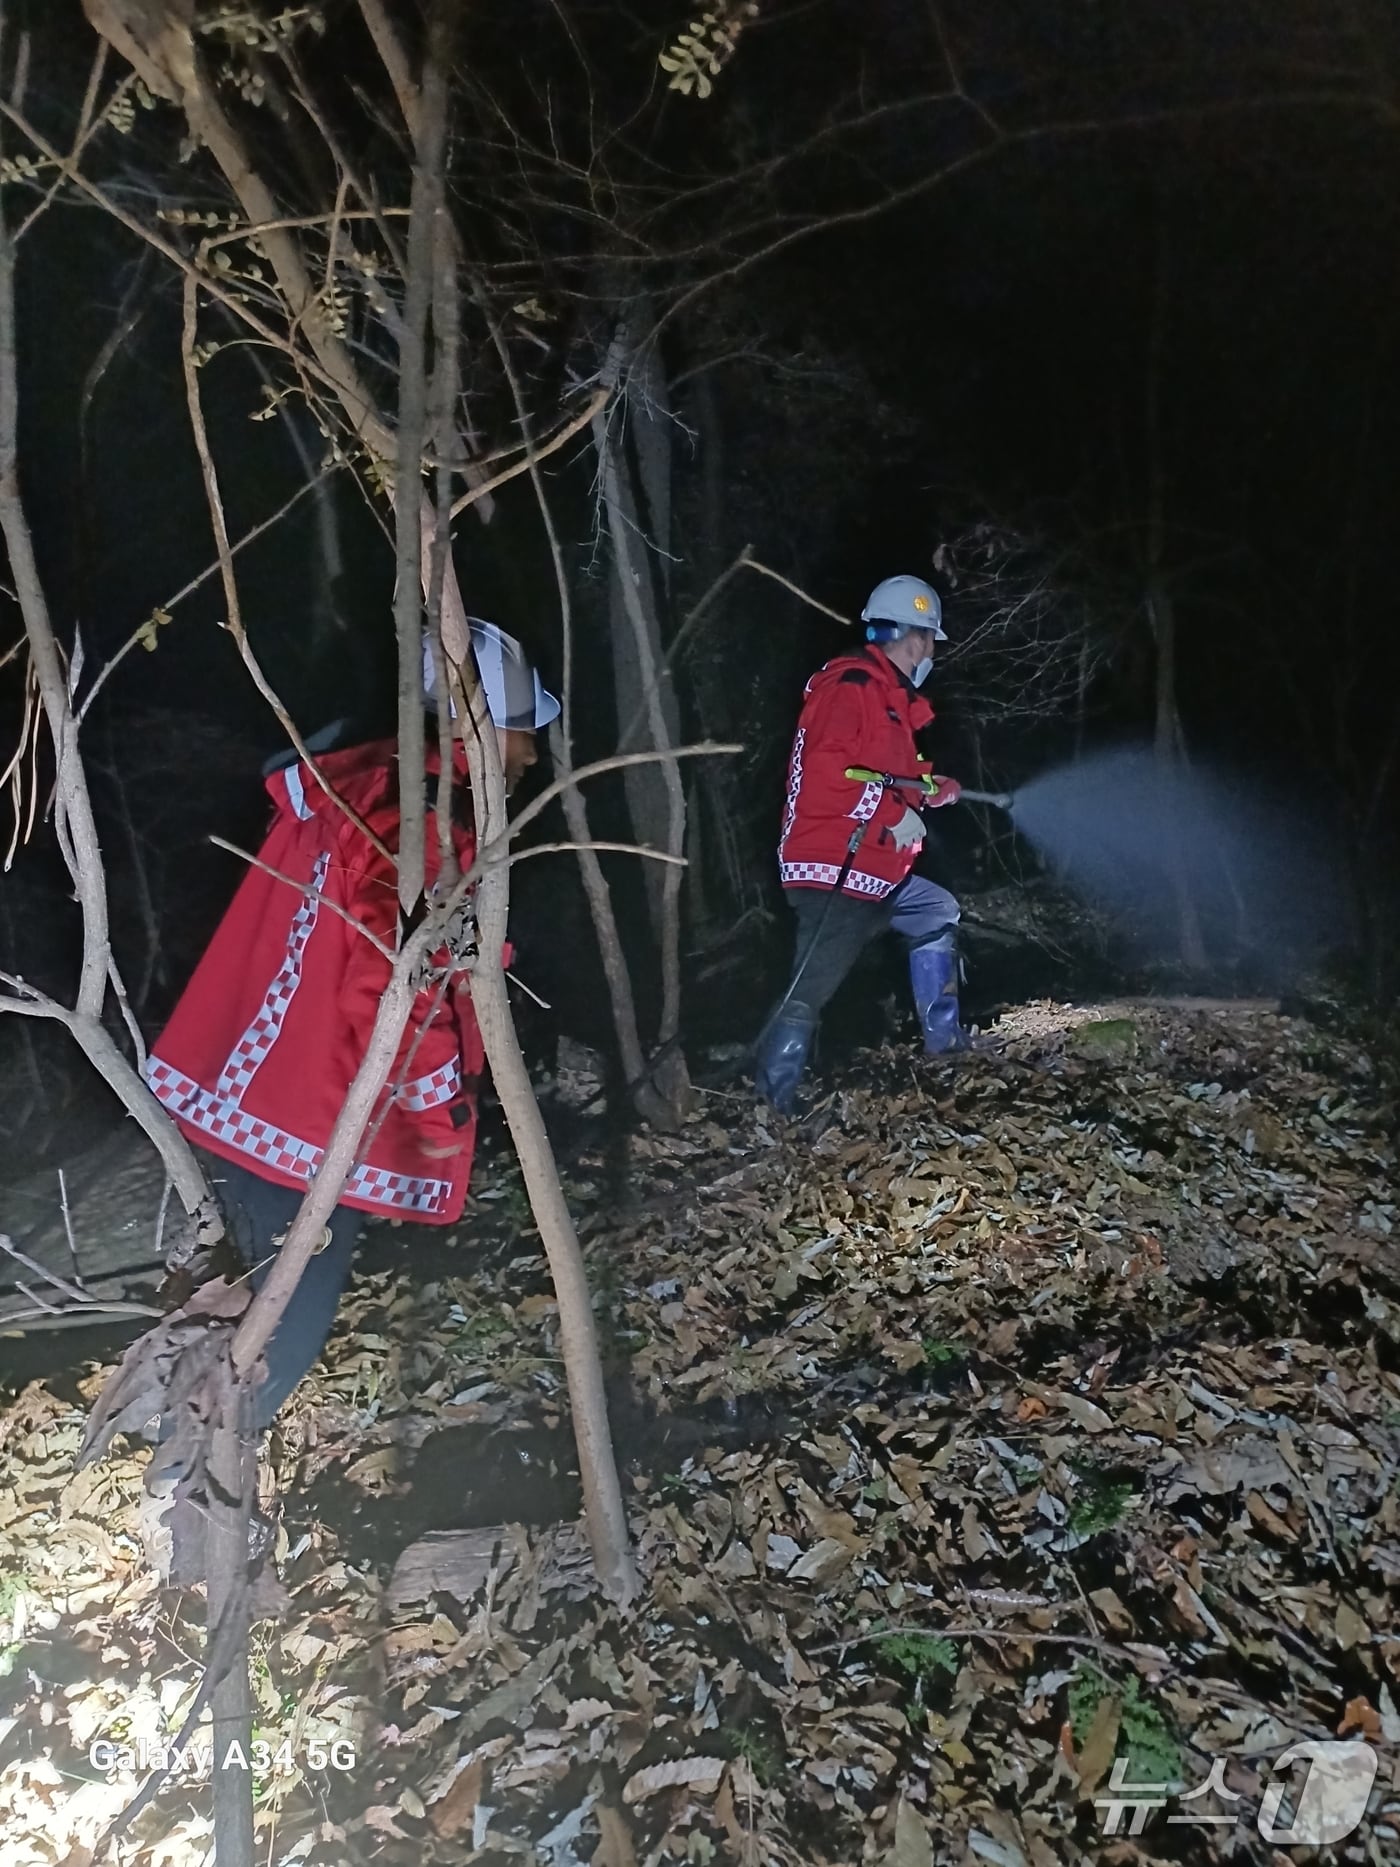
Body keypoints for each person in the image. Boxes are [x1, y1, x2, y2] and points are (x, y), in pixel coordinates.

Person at [144, 620, 559, 1432]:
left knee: (246, 1298)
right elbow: (390, 976)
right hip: (312, 1118)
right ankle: (200, 1477)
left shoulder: (371, 785)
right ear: (476, 729)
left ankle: (195, 1461)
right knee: (283, 1326)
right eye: (523, 731)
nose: (533, 754)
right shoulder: (423, 817)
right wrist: (436, 1110)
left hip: (270, 1099)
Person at [754, 574, 971, 1112]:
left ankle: (946, 1048)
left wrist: (929, 788)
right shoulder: (852, 687)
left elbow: (881, 774)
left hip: (876, 870)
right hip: (834, 868)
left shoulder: (887, 701)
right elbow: (830, 774)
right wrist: (895, 815)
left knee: (936, 910)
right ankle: (772, 1107)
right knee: (810, 988)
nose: (931, 652)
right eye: (929, 639)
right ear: (914, 637)